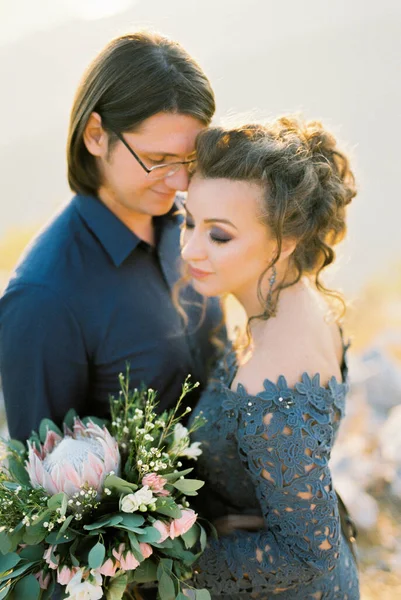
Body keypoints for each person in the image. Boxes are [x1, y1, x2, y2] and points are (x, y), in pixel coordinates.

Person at [0, 31, 222, 442]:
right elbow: (43, 493)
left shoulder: (192, 227)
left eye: (190, 159)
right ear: (95, 135)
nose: (179, 180)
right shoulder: (43, 297)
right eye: (158, 160)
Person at [182, 117, 360, 599]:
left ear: (283, 242)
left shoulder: (271, 377)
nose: (190, 248)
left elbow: (307, 553)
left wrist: (170, 559)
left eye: (219, 236)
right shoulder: (299, 299)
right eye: (188, 220)